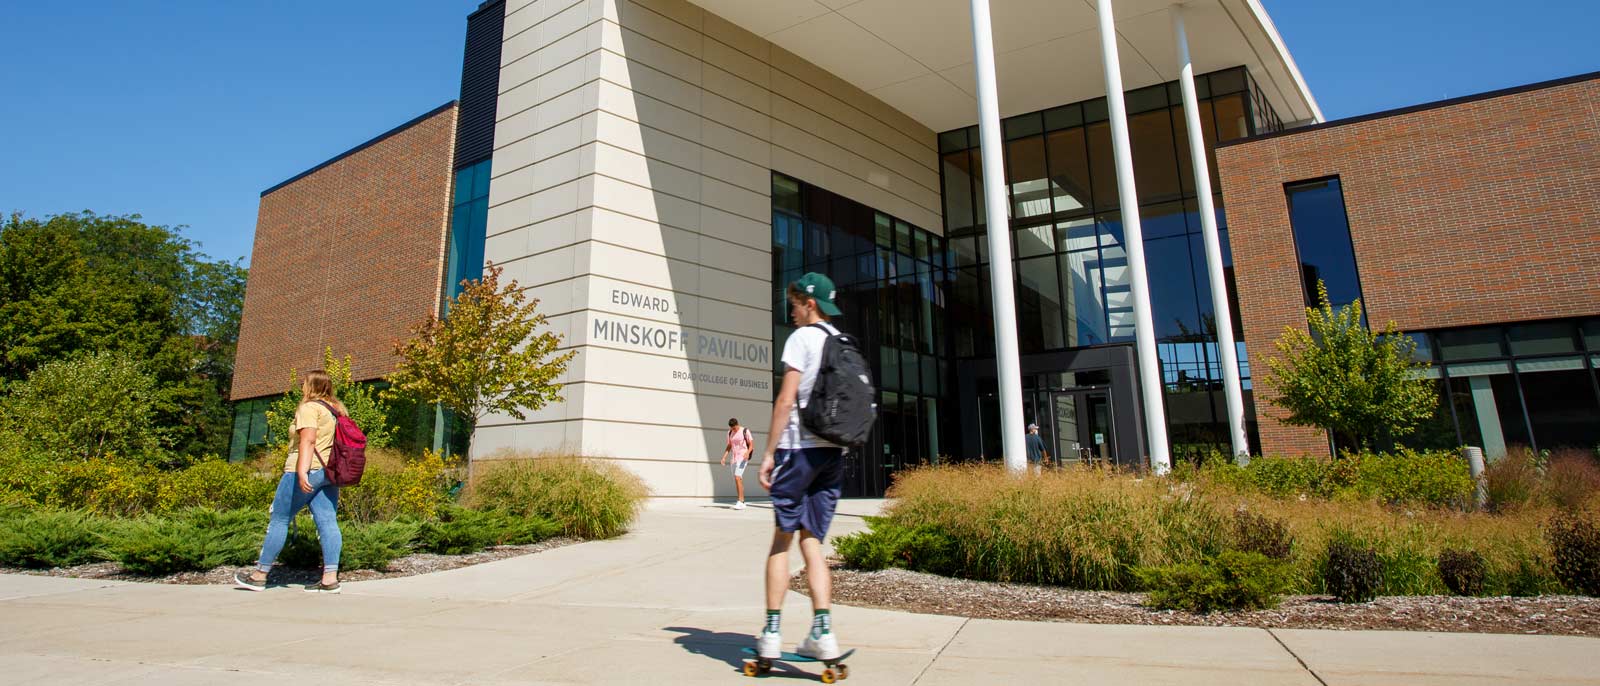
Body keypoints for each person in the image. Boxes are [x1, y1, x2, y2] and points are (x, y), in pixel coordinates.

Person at [756, 272, 848, 661]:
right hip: (833, 453)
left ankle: (772, 632)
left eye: (793, 304)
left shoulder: (802, 339)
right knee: (813, 542)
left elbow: (784, 401)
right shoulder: (842, 341)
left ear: (809, 304)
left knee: (782, 539)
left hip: (798, 449)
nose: (790, 311)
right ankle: (822, 632)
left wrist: (768, 453)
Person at [235, 370, 345, 593]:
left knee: (280, 518)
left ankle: (259, 575)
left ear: (311, 386)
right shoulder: (335, 411)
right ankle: (329, 579)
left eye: (303, 383)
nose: (301, 386)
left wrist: (302, 472)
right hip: (327, 473)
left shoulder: (309, 408)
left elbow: (308, 440)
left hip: (303, 470)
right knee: (327, 521)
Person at [720, 417, 754, 509]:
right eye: (732, 428)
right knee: (738, 479)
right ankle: (742, 502)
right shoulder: (729, 433)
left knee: (737, 477)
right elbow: (729, 446)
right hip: (734, 459)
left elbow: (751, 444)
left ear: (737, 424)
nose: (733, 430)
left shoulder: (745, 431)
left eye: (734, 428)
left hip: (743, 457)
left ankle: (740, 501)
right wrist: (724, 457)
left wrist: (747, 453)